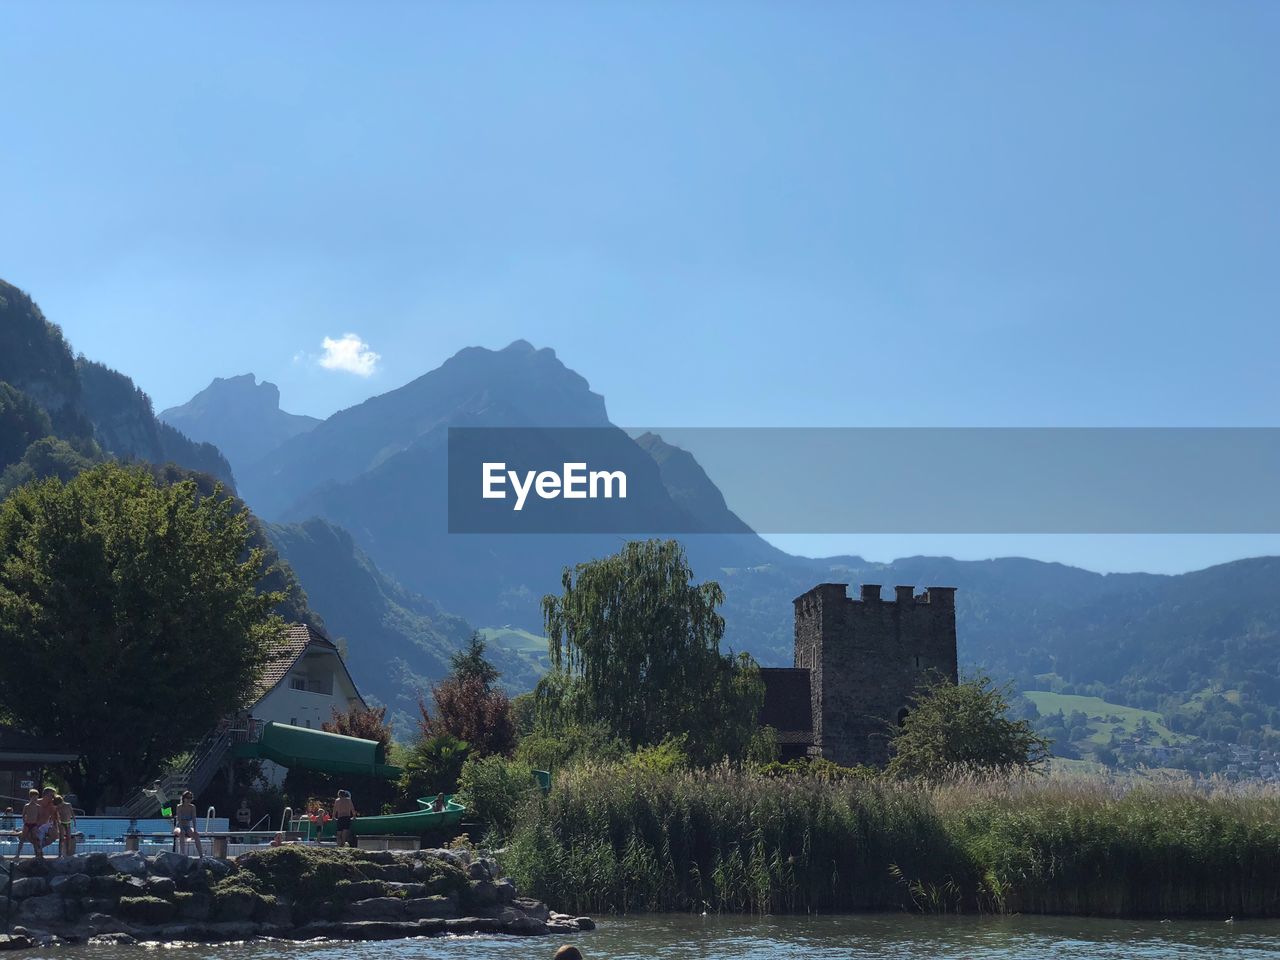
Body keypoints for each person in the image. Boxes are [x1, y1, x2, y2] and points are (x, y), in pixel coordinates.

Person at [13, 789, 43, 860]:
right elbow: (23, 815)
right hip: (27, 824)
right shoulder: (26, 806)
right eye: (34, 797)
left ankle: (37, 855)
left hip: (34, 825)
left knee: (35, 839)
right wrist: (24, 822)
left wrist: (37, 824)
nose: (35, 799)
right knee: (22, 839)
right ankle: (17, 854)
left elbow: (39, 816)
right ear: (30, 797)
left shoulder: (38, 806)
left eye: (36, 797)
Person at [173, 790, 204, 858]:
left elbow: (194, 819)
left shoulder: (192, 807)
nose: (189, 799)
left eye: (190, 798)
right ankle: (183, 854)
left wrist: (195, 830)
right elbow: (179, 819)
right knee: (182, 833)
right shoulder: (179, 806)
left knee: (196, 835)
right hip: (179, 826)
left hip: (187, 826)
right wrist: (181, 828)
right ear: (184, 798)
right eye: (187, 797)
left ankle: (201, 855)